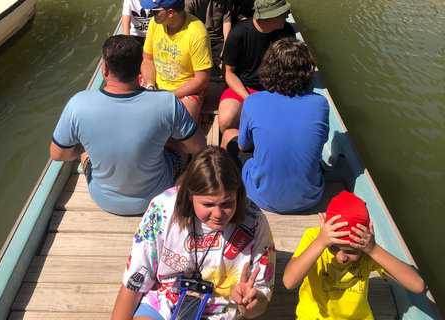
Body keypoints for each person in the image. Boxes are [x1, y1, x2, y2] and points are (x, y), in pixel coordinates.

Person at [111, 145, 276, 320]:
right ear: (189, 194)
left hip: (222, 310)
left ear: (238, 194)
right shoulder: (161, 211)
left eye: (227, 203)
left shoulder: (255, 223)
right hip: (165, 299)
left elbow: (260, 303)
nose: (218, 214)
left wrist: (247, 304)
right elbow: (134, 283)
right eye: (208, 204)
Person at [50, 35, 206, 216]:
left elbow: (58, 154)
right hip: (155, 195)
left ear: (105, 69)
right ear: (140, 67)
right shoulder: (166, 101)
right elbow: (198, 146)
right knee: (182, 148)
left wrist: (89, 144)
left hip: (103, 198)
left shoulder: (78, 103)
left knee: (85, 149)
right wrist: (167, 140)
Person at [223, 38, 329, 214]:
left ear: (268, 69)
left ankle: (226, 188)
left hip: (262, 197)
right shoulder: (320, 103)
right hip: (311, 198)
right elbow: (319, 141)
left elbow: (243, 145)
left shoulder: (253, 101)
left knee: (228, 134)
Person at [282, 190, 425, 319]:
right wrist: (320, 243)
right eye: (334, 247)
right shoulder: (314, 238)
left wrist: (374, 249)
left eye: (351, 251)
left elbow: (417, 285)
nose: (341, 257)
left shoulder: (367, 251)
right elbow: (289, 282)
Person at [218, 0, 295, 134]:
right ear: (265, 18)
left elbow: (288, 70)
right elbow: (228, 73)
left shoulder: (287, 32)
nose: (287, 17)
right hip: (242, 86)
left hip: (273, 88)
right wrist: (249, 99)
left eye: (286, 12)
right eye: (282, 14)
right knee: (226, 120)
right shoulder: (238, 33)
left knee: (281, 123)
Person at [140, 0, 213, 122]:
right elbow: (147, 60)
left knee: (183, 122)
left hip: (186, 90)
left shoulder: (198, 35)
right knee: (128, 107)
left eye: (155, 11)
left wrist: (170, 96)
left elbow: (202, 80)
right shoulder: (155, 22)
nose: (151, 13)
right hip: (155, 83)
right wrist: (150, 86)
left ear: (170, 13)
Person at [185, 0, 232, 70]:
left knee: (228, 66)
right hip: (198, 40)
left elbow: (227, 23)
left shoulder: (225, 1)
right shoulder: (190, 2)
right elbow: (186, 27)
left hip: (218, 40)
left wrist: (226, 47)